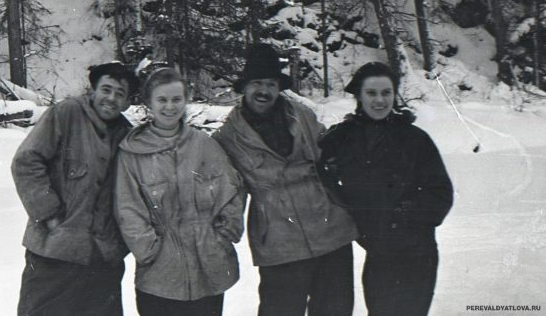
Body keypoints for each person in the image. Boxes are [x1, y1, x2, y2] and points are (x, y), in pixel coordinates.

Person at [212, 44, 357, 316]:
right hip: (279, 242)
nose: (263, 91)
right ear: (244, 87)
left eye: (270, 83)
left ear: (279, 88)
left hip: (330, 229)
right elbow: (226, 192)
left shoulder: (302, 115)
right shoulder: (227, 137)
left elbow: (330, 154)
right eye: (257, 83)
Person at [318, 61, 453, 316]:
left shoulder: (415, 139)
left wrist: (405, 214)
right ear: (358, 96)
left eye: (386, 93)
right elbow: (321, 175)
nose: (379, 100)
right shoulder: (342, 139)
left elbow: (441, 194)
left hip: (416, 255)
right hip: (378, 254)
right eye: (371, 93)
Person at [11, 62, 138, 316]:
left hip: (103, 261)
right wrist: (49, 216)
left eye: (119, 93)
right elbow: (26, 162)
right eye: (106, 89)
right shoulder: (67, 113)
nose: (111, 98)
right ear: (93, 90)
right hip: (54, 254)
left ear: (126, 102)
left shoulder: (127, 136)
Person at [114, 68, 245, 316]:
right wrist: (150, 251)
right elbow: (127, 209)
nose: (170, 107)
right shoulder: (132, 153)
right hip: (160, 275)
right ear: (148, 103)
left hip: (209, 268)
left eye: (176, 99)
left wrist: (224, 233)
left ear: (186, 100)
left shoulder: (205, 144)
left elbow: (233, 191)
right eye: (162, 100)